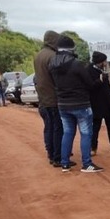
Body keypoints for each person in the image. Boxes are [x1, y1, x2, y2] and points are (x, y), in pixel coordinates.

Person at [49, 35, 103, 173]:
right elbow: (90, 85)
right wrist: (100, 81)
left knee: (67, 133)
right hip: (81, 104)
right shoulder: (76, 64)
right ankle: (86, 164)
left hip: (62, 104)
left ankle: (65, 163)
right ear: (71, 48)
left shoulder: (52, 64)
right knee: (85, 133)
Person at [34, 30, 75, 168]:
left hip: (43, 99)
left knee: (49, 128)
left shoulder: (38, 55)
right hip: (54, 99)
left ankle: (51, 154)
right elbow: (57, 79)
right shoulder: (53, 56)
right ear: (53, 41)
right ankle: (58, 157)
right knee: (59, 129)